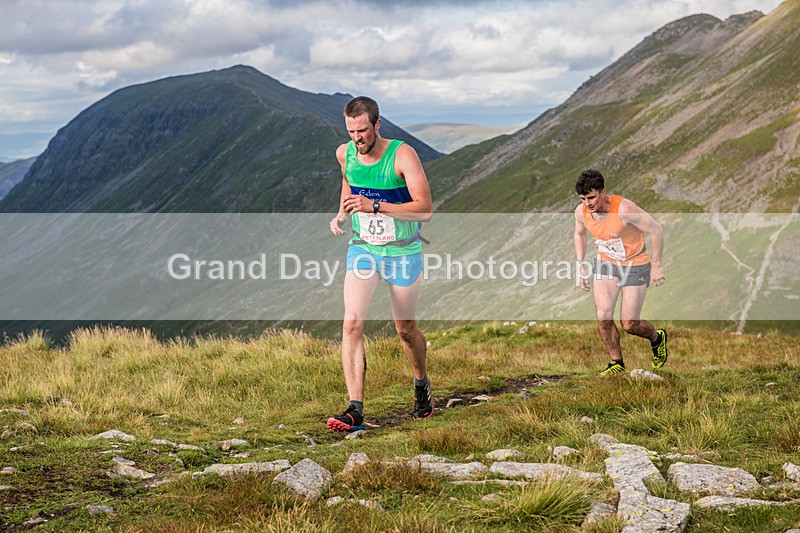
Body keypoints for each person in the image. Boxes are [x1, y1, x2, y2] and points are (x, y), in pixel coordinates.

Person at [327, 96, 433, 431]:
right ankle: (354, 410)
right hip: (364, 249)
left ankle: (421, 385)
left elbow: (425, 210)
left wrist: (374, 206)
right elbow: (349, 180)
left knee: (405, 329)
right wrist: (343, 211)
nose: (357, 138)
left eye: (362, 131)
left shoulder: (402, 155)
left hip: (402, 251)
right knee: (352, 324)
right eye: (351, 131)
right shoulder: (345, 153)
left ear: (377, 125)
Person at [573, 169, 669, 375]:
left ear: (602, 192)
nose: (587, 203)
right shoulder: (581, 212)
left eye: (591, 197)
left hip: (635, 264)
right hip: (606, 263)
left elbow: (656, 229)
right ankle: (616, 362)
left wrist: (657, 265)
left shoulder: (624, 209)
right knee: (604, 316)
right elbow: (579, 233)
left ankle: (657, 338)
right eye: (583, 199)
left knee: (629, 323)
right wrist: (580, 264)